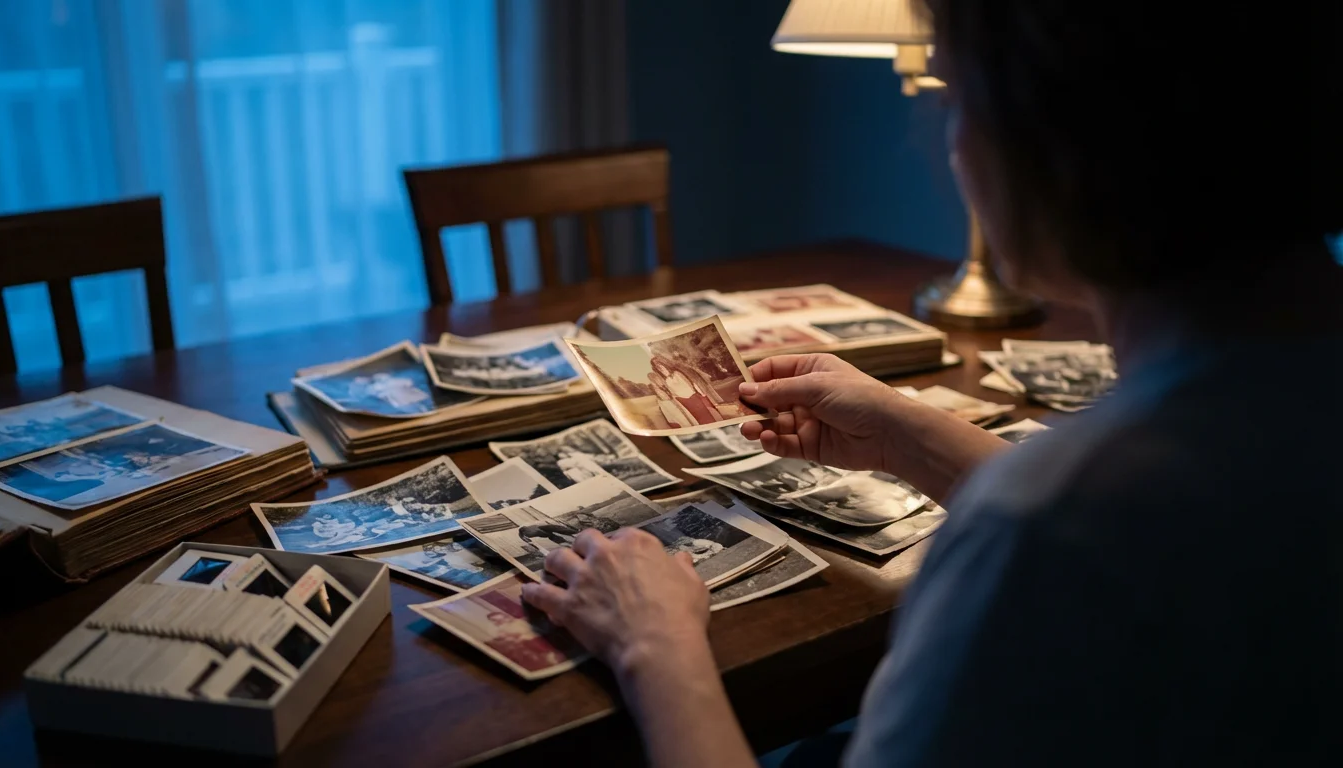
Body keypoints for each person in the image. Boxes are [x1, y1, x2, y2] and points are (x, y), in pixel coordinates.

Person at [516, 1, 1343, 766]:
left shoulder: (1047, 527)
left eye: (955, 101)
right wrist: (906, 433)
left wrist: (655, 647)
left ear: (1053, 144)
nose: (949, 145)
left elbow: (1085, 532)